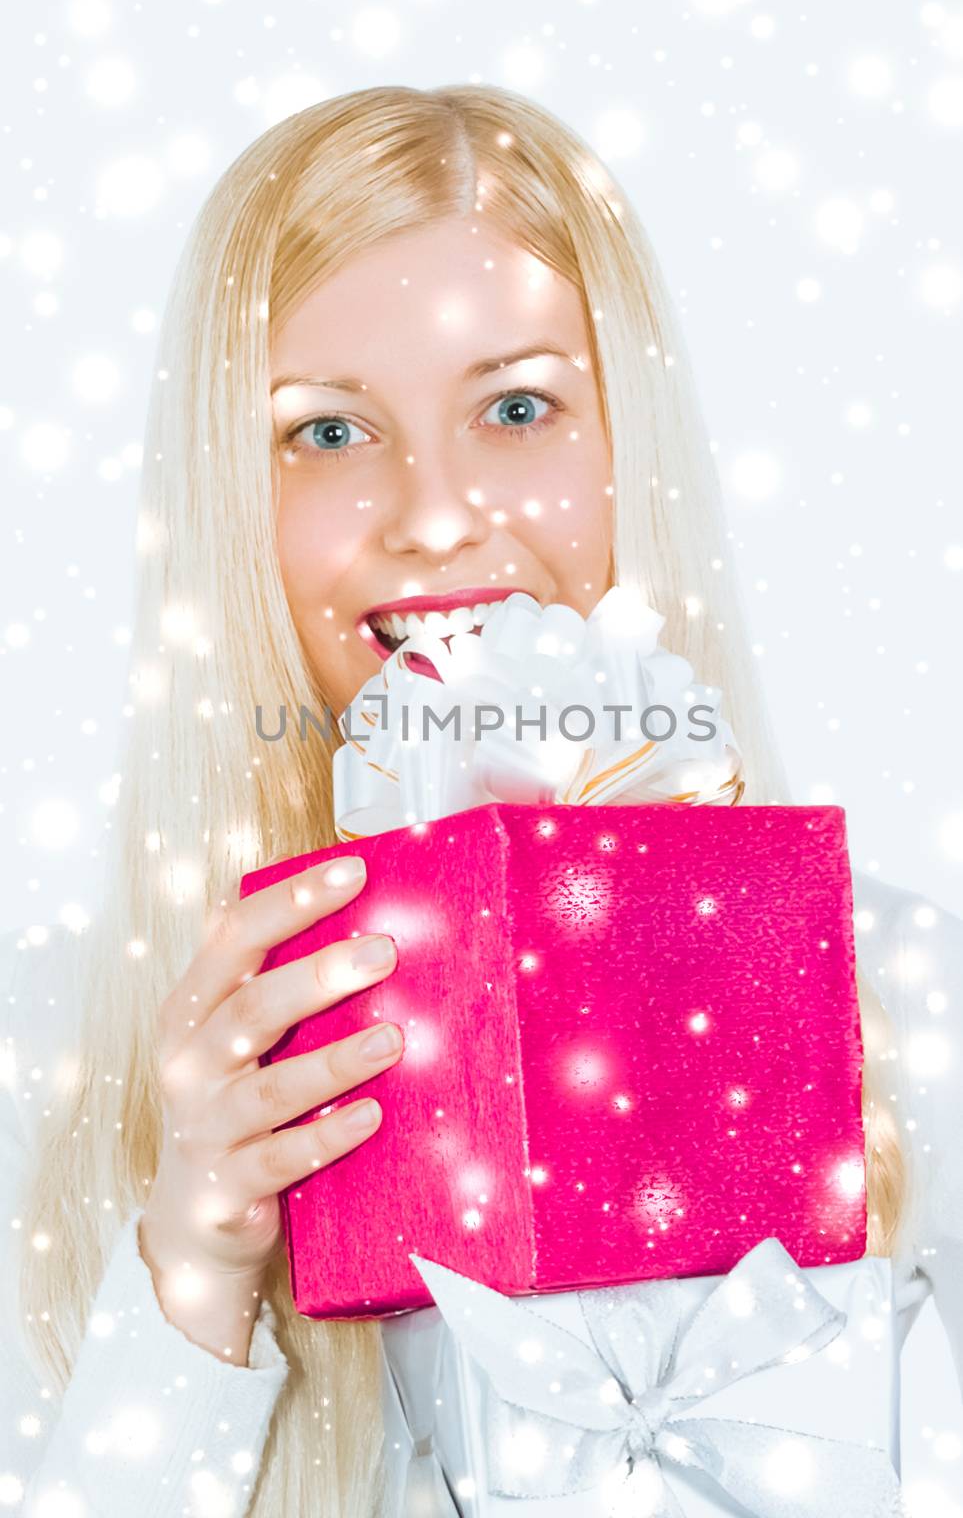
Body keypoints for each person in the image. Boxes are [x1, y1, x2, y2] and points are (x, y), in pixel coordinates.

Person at [1, 83, 960, 1518]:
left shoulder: (912, 1004)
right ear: (226, 497)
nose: (437, 514)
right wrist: (191, 1283)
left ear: (630, 441)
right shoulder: (49, 1061)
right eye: (325, 433)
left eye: (518, 408)